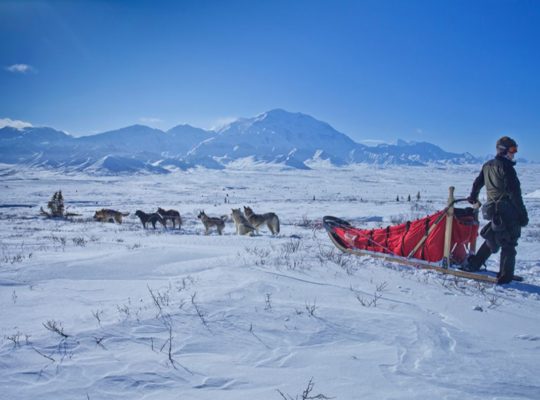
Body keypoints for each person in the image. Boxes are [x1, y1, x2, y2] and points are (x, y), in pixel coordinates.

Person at [462, 136, 528, 284]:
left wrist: (473, 196)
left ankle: (474, 264)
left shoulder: (487, 165)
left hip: (493, 210)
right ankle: (505, 277)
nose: (514, 154)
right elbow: (515, 194)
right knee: (509, 243)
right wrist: (523, 215)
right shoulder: (507, 168)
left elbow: (477, 183)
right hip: (508, 210)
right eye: (512, 150)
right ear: (503, 150)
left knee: (492, 237)